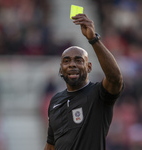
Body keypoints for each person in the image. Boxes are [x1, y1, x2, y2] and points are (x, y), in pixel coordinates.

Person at [44, 14, 124, 150]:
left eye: (79, 60)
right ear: (61, 69)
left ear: (89, 67)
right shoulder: (55, 101)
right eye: (66, 61)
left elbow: (115, 78)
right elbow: (51, 146)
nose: (72, 64)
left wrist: (94, 39)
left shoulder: (98, 95)